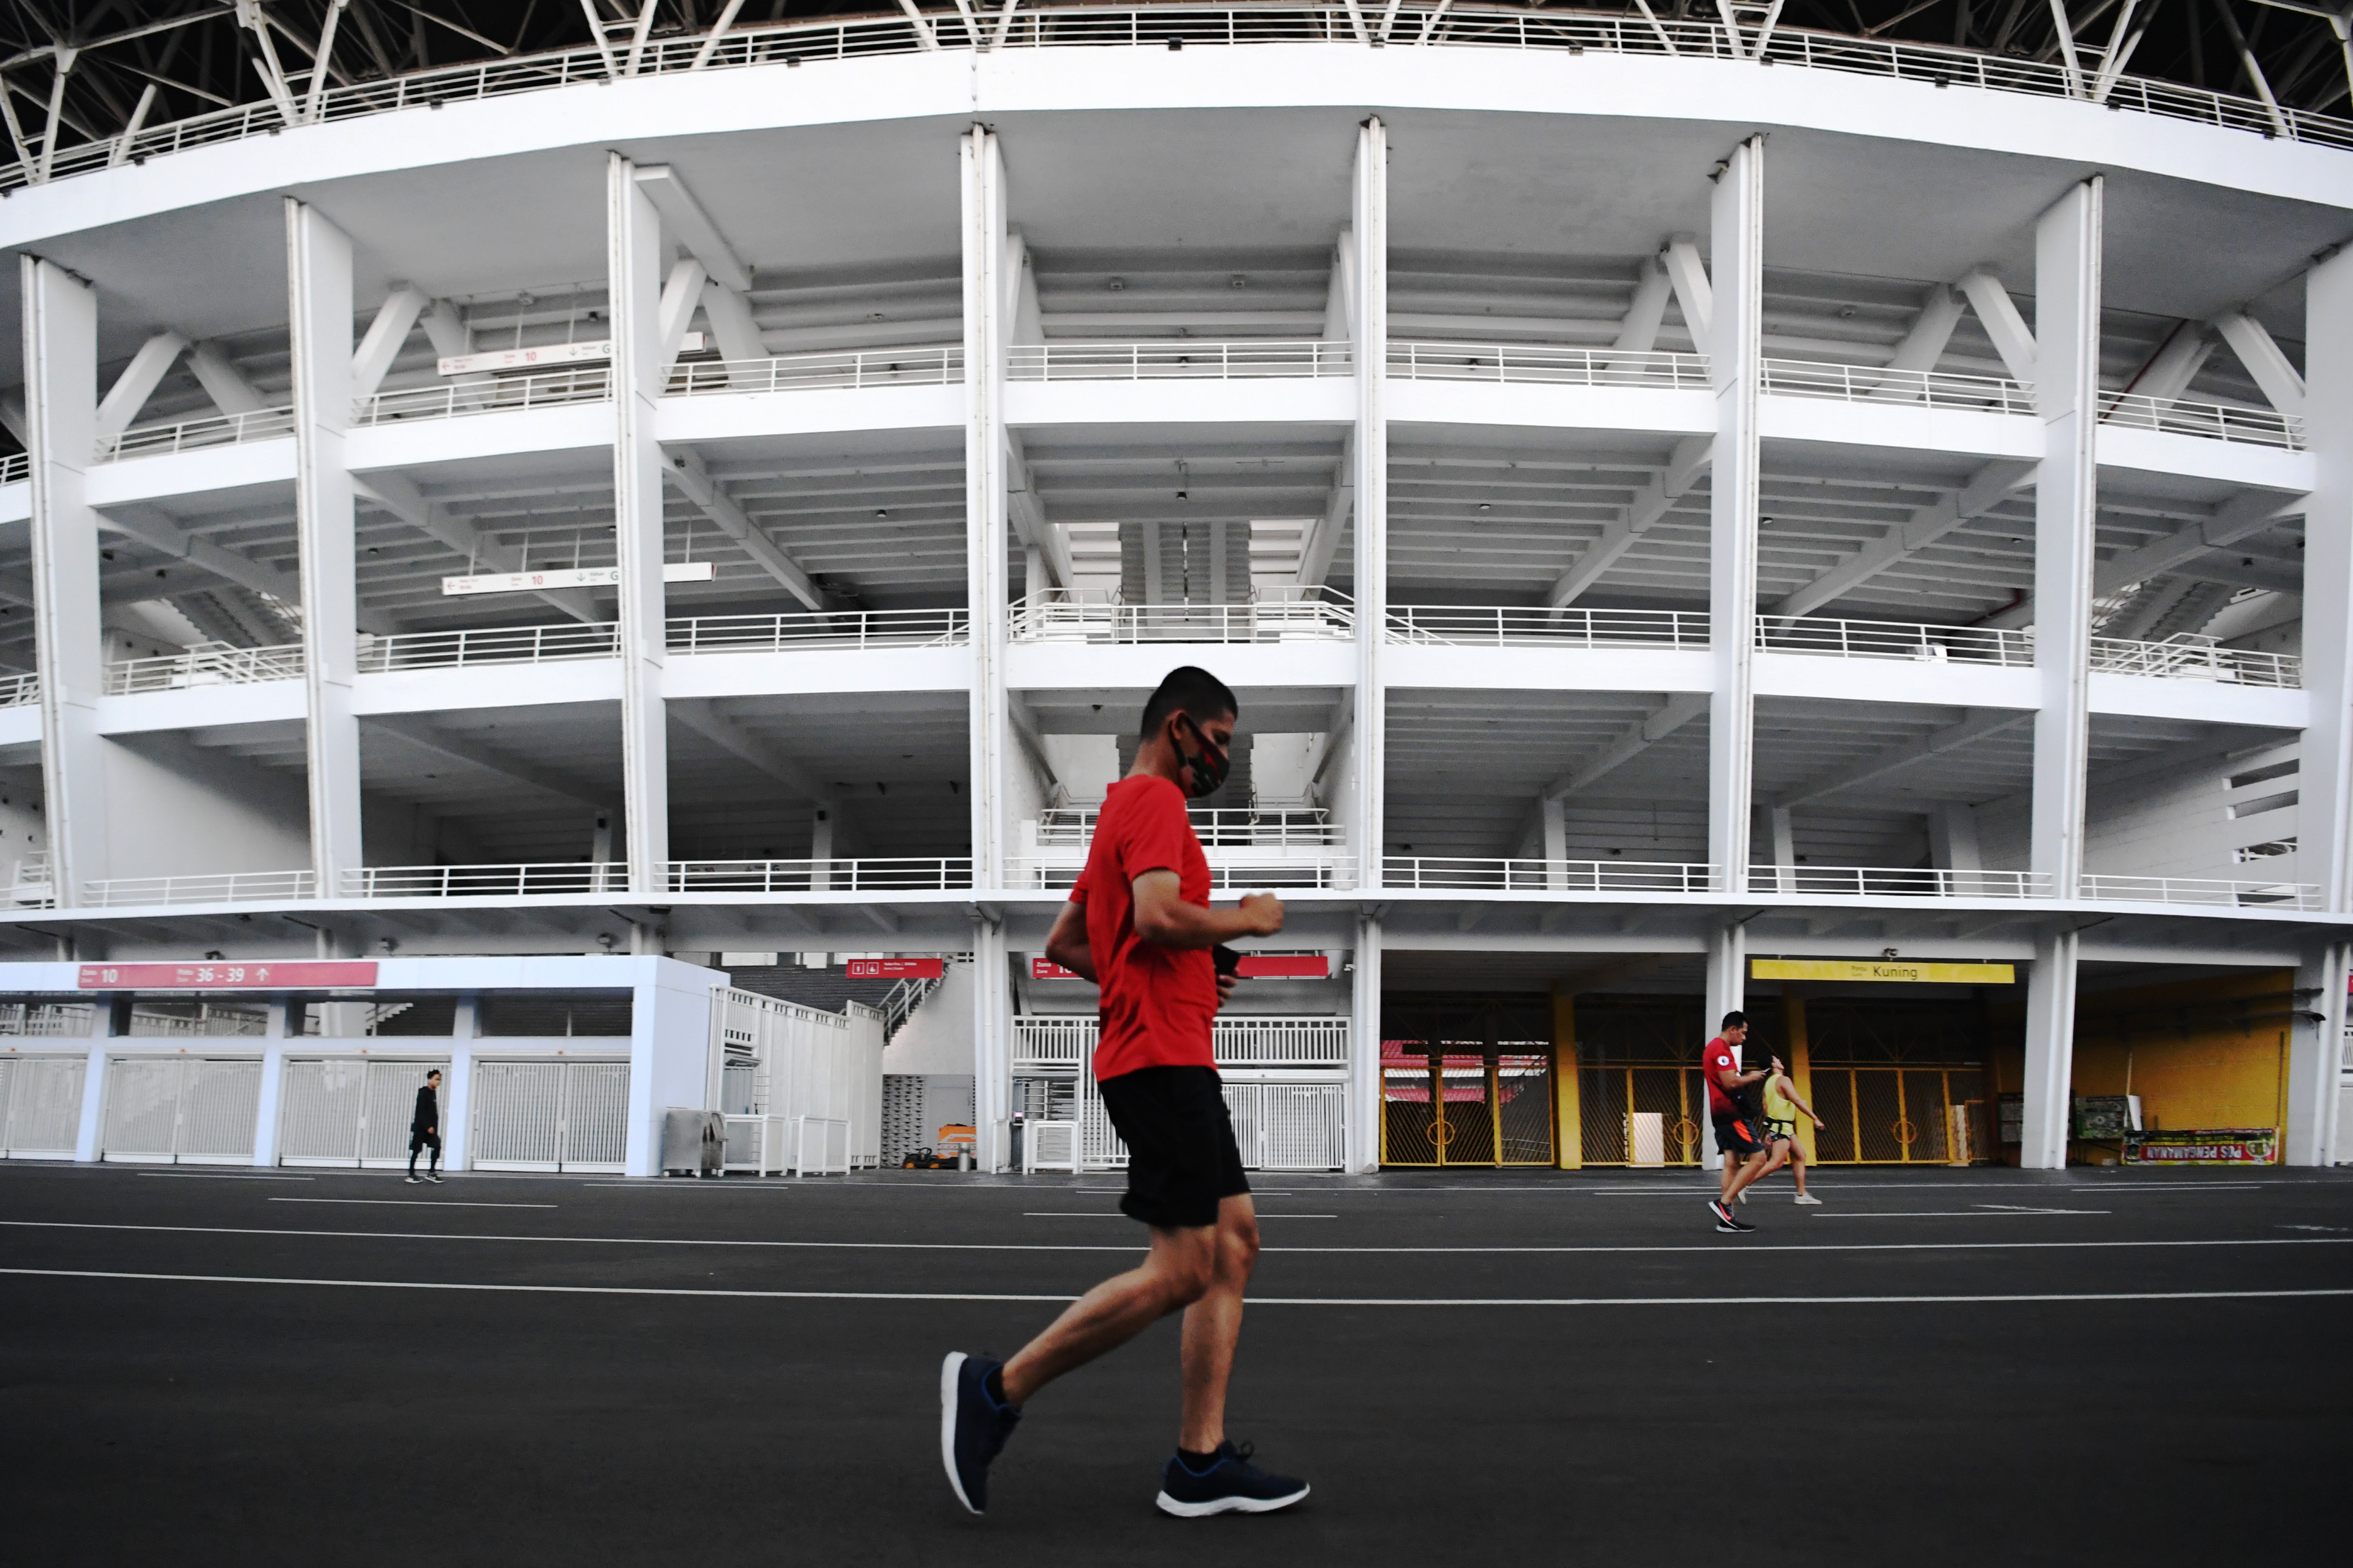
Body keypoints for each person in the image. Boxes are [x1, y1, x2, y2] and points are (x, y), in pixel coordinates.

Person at [941, 666, 1308, 1520]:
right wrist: (1247, 919)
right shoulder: (1155, 800)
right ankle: (995, 1390)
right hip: (1159, 1063)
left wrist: (1180, 973)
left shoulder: (1122, 809)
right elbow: (1156, 917)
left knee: (1235, 1244)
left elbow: (1071, 941)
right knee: (1183, 1268)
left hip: (1166, 1051)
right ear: (1179, 727)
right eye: (1219, 739)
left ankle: (1200, 1464)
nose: (1222, 757)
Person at [1701, 1012, 1772, 1231]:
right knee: (1759, 1158)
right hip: (1731, 1114)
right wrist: (1751, 1077)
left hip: (1719, 1114)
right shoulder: (1721, 1050)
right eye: (1743, 1033)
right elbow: (1730, 1082)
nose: (1744, 1038)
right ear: (1732, 1029)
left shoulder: (1713, 1048)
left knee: (1732, 1162)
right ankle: (1724, 1203)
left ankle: (1726, 1219)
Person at [1750, 1056, 1825, 1206]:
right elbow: (1797, 1101)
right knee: (1776, 1163)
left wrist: (1769, 1131)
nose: (1780, 1061)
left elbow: (1766, 1108)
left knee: (1800, 1155)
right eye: (1777, 1060)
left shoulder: (1768, 1084)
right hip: (1782, 1127)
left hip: (1782, 1127)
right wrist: (1815, 1118)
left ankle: (1801, 1194)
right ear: (1773, 1064)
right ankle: (1742, 1184)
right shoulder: (1783, 1080)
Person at [406, 1069, 443, 1185]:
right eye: (436, 1079)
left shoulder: (433, 1093)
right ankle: (411, 1175)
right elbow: (420, 1111)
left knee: (437, 1146)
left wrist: (433, 1127)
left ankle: (431, 1173)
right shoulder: (423, 1093)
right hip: (421, 1128)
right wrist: (427, 1126)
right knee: (416, 1150)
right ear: (430, 1079)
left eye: (440, 1080)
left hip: (430, 1129)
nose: (438, 1082)